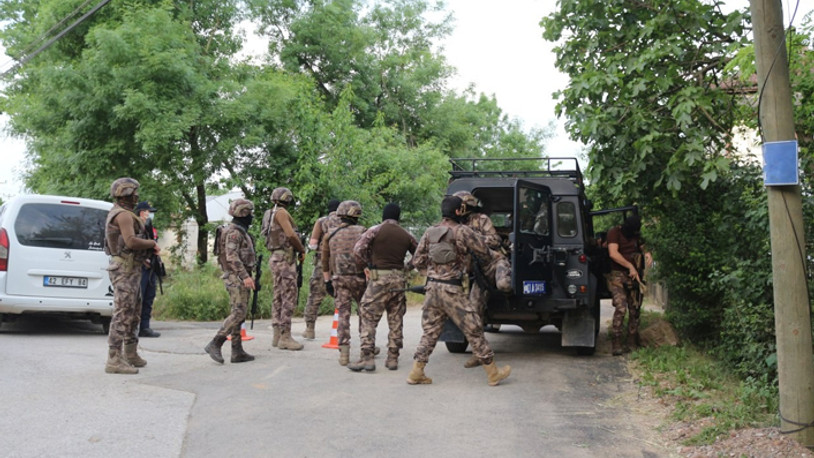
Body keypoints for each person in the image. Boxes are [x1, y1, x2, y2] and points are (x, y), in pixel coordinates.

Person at [407, 195, 511, 386]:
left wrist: (432, 272)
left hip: (431, 288)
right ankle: (493, 373)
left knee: (430, 332)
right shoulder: (462, 231)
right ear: (458, 212)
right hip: (452, 290)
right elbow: (485, 253)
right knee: (474, 329)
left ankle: (416, 372)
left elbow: (417, 261)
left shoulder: (430, 232)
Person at [348, 203, 418, 372]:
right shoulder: (406, 235)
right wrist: (407, 268)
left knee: (368, 314)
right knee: (396, 317)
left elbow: (357, 250)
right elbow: (421, 255)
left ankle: (368, 357)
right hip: (399, 279)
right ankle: (393, 358)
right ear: (398, 217)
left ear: (384, 215)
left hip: (379, 278)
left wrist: (367, 265)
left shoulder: (375, 230)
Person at [103, 178, 160, 375]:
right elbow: (131, 242)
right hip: (125, 270)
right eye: (134, 192)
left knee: (134, 312)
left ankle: (130, 353)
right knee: (123, 312)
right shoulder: (124, 216)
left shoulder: (123, 213)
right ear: (127, 194)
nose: (137, 196)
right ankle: (114, 359)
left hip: (132, 268)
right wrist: (151, 245)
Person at [453, 190, 512, 369]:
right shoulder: (454, 224)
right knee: (473, 310)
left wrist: (473, 239)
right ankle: (479, 353)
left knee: (504, 285)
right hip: (477, 273)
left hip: (494, 263)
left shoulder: (481, 219)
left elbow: (495, 240)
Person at [204, 199, 258, 364]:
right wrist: (245, 276)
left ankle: (237, 350)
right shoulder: (234, 233)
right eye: (249, 214)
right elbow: (232, 257)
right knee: (239, 312)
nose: (251, 217)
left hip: (238, 276)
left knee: (238, 312)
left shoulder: (240, 231)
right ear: (243, 214)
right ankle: (216, 342)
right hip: (236, 277)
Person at [321, 200, 366, 366]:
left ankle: (344, 353)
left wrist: (327, 281)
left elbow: (324, 261)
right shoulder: (363, 232)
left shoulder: (330, 234)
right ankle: (366, 348)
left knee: (343, 315)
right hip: (360, 279)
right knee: (365, 314)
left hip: (339, 279)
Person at [261, 187, 306, 351]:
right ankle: (285, 336)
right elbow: (290, 235)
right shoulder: (281, 213)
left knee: (278, 294)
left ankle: (277, 335)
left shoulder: (268, 213)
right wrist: (301, 249)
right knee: (288, 295)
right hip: (285, 258)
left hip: (275, 256)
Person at [606, 215, 646, 356]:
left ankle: (631, 342)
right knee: (621, 308)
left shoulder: (636, 235)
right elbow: (613, 253)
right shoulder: (614, 233)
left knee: (634, 309)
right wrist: (629, 265)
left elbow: (644, 247)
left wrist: (646, 255)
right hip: (618, 275)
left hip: (635, 277)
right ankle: (616, 341)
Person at [301, 199, 341, 340]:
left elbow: (312, 244)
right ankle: (341, 331)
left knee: (315, 296)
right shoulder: (346, 221)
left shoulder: (321, 221)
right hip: (341, 264)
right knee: (343, 296)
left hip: (322, 263)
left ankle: (310, 329)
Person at [135, 201, 161, 338]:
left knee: (149, 297)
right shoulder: (136, 227)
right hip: (141, 267)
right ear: (141, 212)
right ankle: (134, 327)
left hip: (152, 267)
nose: (150, 214)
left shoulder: (150, 227)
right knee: (139, 298)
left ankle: (145, 327)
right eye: (148, 211)